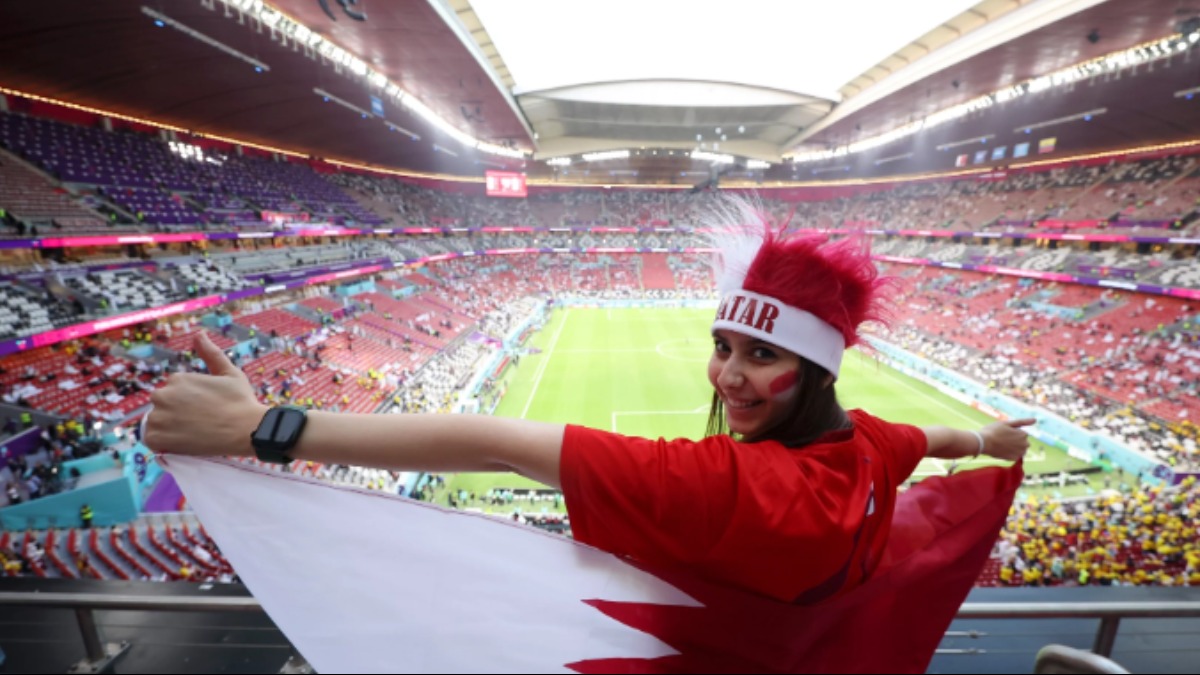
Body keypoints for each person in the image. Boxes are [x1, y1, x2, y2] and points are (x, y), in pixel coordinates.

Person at [144, 200, 1030, 670]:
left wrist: (269, 426)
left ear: (819, 368)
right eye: (721, 346)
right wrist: (988, 439)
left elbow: (498, 442)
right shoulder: (868, 446)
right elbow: (930, 439)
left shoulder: (732, 486)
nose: (727, 375)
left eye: (761, 355)